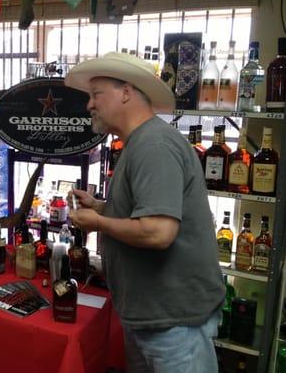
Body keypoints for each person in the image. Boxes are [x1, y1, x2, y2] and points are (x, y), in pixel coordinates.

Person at [65, 52, 225, 373]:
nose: (89, 106)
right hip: (154, 319)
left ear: (126, 92)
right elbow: (143, 213)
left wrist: (98, 222)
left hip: (174, 326)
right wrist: (102, 207)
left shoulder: (153, 146)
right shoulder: (140, 143)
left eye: (96, 95)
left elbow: (158, 232)